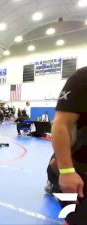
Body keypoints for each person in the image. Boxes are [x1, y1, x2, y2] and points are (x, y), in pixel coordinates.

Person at [51, 66, 87, 224]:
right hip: (77, 171)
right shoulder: (82, 77)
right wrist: (66, 171)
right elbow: (61, 124)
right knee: (75, 220)